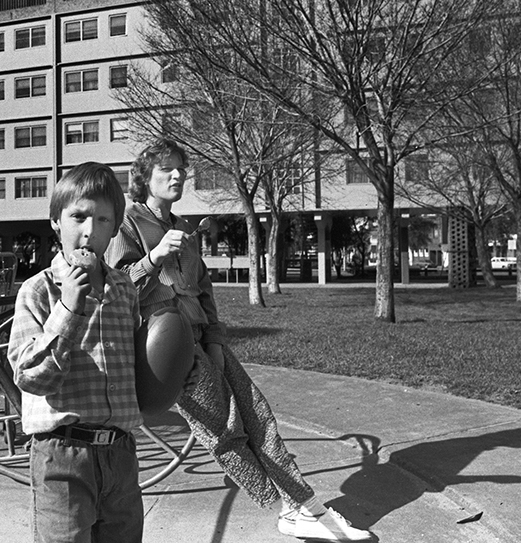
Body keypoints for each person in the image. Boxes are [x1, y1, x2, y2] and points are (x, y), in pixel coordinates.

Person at [105, 139, 373, 542]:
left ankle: (305, 507)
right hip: (166, 348)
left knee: (258, 415)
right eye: (167, 169)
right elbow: (117, 289)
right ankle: (290, 507)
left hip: (202, 340)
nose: (178, 175)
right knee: (226, 431)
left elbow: (204, 290)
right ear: (145, 179)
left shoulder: (182, 228)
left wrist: (215, 339)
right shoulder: (126, 226)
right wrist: (153, 258)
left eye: (181, 168)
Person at [7, 162, 145, 543]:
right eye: (78, 216)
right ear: (56, 221)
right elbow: (32, 377)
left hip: (120, 454)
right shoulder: (38, 291)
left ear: (115, 228)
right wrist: (67, 308)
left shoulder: (124, 290)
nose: (89, 231)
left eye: (102, 220)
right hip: (61, 455)